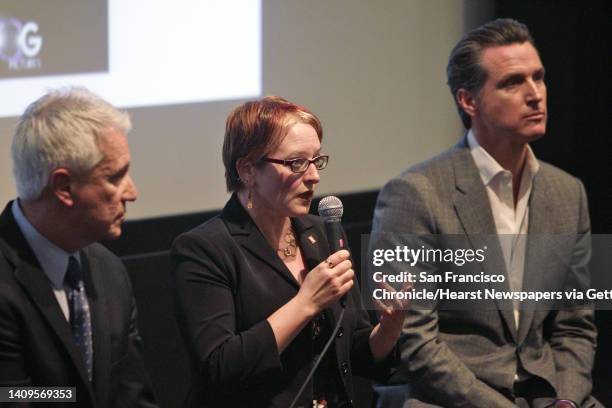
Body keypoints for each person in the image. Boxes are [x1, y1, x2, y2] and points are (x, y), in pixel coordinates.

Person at [369, 19, 600, 408]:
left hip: (548, 396)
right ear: (468, 100)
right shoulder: (413, 194)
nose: (535, 95)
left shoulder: (568, 191)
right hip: (449, 397)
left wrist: (568, 401)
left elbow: (576, 325)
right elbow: (414, 339)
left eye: (539, 78)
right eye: (512, 82)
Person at [171, 96, 404, 408]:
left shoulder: (321, 233)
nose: (313, 176)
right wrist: (305, 303)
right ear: (248, 170)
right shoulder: (204, 249)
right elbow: (218, 367)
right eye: (296, 163)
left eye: (316, 161)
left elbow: (356, 355)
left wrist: (389, 328)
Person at [0, 87, 158, 407]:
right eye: (115, 177)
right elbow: (11, 396)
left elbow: (133, 394)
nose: (132, 192)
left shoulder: (110, 271)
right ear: (64, 187)